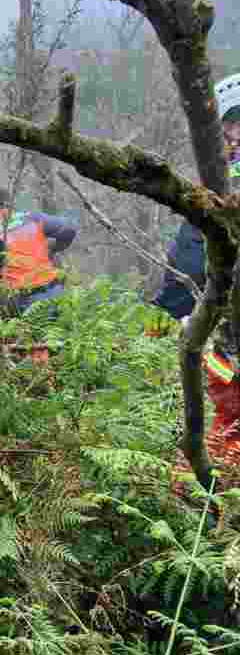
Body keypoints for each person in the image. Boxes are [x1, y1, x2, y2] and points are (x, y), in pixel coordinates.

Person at [150, 71, 240, 452]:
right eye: (228, 125)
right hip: (230, 342)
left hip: (231, 343)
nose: (230, 134)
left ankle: (211, 498)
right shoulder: (225, 179)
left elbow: (188, 257)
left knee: (228, 435)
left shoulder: (224, 184)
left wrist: (169, 307)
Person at [0, 188, 78, 316]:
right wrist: (52, 249)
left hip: (24, 301)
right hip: (56, 291)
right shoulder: (31, 218)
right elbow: (70, 228)